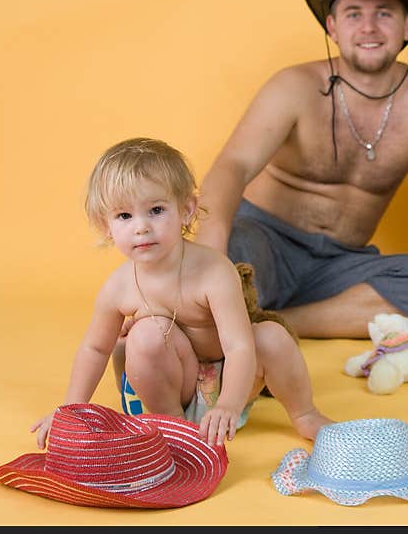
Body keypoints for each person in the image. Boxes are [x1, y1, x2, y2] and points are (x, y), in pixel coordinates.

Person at [196, 0, 408, 338]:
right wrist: (210, 248)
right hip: (266, 242)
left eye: (384, 14)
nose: (369, 27)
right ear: (332, 26)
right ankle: (244, 308)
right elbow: (232, 166)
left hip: (341, 263)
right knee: (223, 260)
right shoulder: (293, 86)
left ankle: (276, 323)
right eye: (354, 14)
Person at [31, 138, 333, 449]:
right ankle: (174, 428)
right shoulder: (118, 287)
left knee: (271, 336)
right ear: (105, 225)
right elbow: (94, 349)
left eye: (156, 210)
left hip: (233, 382)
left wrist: (228, 403)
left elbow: (239, 346)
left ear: (186, 210)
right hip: (176, 385)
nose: (141, 228)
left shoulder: (214, 271)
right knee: (142, 335)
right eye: (124, 216)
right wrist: (69, 409)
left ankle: (305, 414)